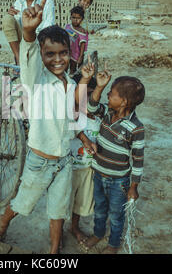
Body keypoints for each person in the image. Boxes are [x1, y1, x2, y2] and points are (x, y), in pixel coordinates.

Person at [0, 0, 91, 254]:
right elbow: (29, 57)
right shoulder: (37, 81)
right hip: (40, 161)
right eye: (50, 54)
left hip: (64, 160)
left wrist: (86, 139)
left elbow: (73, 117)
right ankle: (1, 221)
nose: (58, 59)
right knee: (23, 203)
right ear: (42, 55)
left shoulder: (69, 81)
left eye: (63, 53)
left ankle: (54, 250)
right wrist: (29, 32)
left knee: (58, 208)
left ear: (71, 52)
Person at [79, 63, 146, 254]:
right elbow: (91, 107)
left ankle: (113, 244)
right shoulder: (108, 114)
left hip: (119, 181)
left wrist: (134, 187)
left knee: (117, 216)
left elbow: (138, 160)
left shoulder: (136, 128)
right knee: (99, 210)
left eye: (111, 94)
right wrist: (99, 86)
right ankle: (98, 233)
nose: (108, 96)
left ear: (124, 101)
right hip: (99, 174)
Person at [68, 74, 100, 246]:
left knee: (80, 203)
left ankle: (74, 227)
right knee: (62, 202)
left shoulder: (99, 117)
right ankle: (55, 234)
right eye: (83, 95)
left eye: (92, 95)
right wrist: (84, 140)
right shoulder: (71, 114)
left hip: (88, 168)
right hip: (68, 167)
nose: (87, 100)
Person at [2, 0, 55, 67]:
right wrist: (11, 17)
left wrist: (33, 28)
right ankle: (19, 59)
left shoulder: (47, 2)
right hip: (23, 38)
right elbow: (16, 26)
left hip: (40, 39)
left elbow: (49, 26)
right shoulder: (18, 3)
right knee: (7, 18)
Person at [65, 6, 89, 77]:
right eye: (73, 17)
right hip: (66, 52)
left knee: (73, 69)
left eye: (78, 18)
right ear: (70, 17)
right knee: (64, 68)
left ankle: (73, 83)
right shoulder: (67, 27)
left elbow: (82, 45)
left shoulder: (82, 31)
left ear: (82, 19)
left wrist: (81, 56)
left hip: (76, 54)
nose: (76, 20)